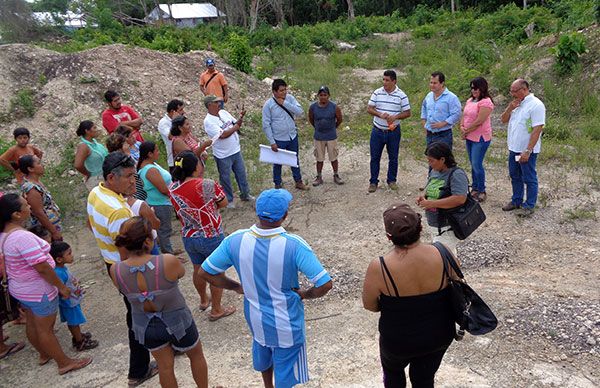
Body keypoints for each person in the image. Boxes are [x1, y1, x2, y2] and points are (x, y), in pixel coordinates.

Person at [199, 188, 333, 388]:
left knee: (263, 354)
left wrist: (236, 287)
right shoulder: (294, 245)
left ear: (257, 212)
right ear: (285, 215)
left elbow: (205, 272)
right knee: (286, 373)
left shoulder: (236, 239)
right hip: (287, 324)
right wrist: (304, 295)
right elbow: (325, 283)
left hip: (256, 320)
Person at [362, 202, 456, 388]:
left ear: (389, 237)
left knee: (393, 377)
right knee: (424, 379)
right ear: (420, 227)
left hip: (398, 340)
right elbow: (460, 288)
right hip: (439, 334)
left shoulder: (379, 267)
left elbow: (370, 305)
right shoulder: (444, 253)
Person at [110, 217, 209, 388]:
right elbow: (181, 273)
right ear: (148, 240)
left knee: (165, 367)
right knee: (196, 356)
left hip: (146, 326)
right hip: (178, 321)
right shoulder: (167, 261)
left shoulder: (115, 270)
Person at [87, 152, 158, 386]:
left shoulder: (96, 193)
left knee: (141, 313)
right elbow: (127, 252)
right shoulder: (118, 211)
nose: (132, 182)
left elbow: (92, 225)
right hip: (126, 268)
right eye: (128, 177)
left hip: (111, 263)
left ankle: (169, 346)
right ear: (111, 177)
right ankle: (138, 371)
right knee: (138, 317)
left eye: (134, 176)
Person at [0, 193, 92, 374]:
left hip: (21, 289)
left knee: (33, 324)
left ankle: (44, 353)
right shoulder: (22, 238)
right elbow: (42, 267)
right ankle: (64, 363)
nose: (30, 207)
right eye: (26, 205)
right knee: (46, 329)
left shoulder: (4, 234)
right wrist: (61, 287)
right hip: (38, 290)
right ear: (16, 214)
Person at [168, 151, 235, 321]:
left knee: (198, 269)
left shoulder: (172, 188)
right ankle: (217, 310)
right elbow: (224, 202)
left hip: (189, 235)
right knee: (216, 271)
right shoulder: (207, 184)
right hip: (210, 234)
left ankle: (204, 300)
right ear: (195, 166)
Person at [500, 78, 545, 217]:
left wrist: (528, 150)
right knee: (515, 175)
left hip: (526, 150)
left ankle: (529, 205)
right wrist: (510, 108)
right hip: (514, 147)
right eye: (511, 91)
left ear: (524, 89)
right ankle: (516, 200)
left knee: (529, 177)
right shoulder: (517, 104)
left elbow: (537, 129)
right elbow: (503, 119)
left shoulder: (536, 105)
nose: (512, 94)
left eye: (515, 91)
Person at [416, 142, 468, 255]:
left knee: (444, 258)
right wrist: (424, 197)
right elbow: (432, 188)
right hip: (434, 224)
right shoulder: (434, 171)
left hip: (447, 226)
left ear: (443, 159)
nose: (429, 164)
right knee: (446, 257)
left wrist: (432, 204)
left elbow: (460, 198)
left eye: (432, 160)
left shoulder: (457, 174)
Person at [203, 94, 253, 208]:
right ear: (209, 105)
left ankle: (245, 194)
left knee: (241, 173)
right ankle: (229, 200)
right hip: (223, 154)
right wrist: (235, 128)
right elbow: (223, 135)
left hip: (235, 149)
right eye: (216, 102)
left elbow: (235, 123)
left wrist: (240, 118)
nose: (219, 104)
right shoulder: (208, 121)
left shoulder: (223, 113)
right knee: (225, 177)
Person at [367, 70, 411, 193]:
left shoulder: (401, 95)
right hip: (377, 131)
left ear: (394, 81)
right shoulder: (377, 92)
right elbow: (369, 109)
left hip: (393, 132)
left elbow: (408, 113)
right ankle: (373, 182)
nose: (384, 82)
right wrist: (379, 114)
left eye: (387, 80)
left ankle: (391, 180)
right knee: (375, 157)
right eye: (383, 79)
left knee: (393, 157)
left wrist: (395, 117)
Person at [49, 241, 98, 351]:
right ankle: (79, 341)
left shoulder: (61, 268)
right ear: (59, 259)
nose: (72, 256)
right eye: (69, 254)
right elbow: (59, 288)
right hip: (69, 303)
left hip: (72, 300)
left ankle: (78, 335)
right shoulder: (59, 272)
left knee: (74, 320)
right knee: (74, 321)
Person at [262, 79, 309, 190]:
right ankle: (277, 184)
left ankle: (298, 181)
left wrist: (284, 103)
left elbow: (300, 111)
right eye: (281, 90)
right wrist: (272, 142)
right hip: (279, 139)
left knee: (294, 159)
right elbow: (266, 124)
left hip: (292, 136)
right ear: (274, 92)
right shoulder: (268, 105)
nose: (284, 92)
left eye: (285, 90)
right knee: (277, 162)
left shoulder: (290, 99)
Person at [460, 77, 495, 203]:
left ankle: (481, 189)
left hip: (480, 137)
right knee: (473, 163)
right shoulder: (470, 100)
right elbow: (464, 115)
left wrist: (467, 130)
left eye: (476, 88)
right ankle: (475, 187)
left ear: (482, 88)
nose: (473, 90)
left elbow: (480, 120)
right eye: (472, 88)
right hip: (469, 136)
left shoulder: (486, 102)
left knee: (477, 163)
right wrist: (462, 128)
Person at [137, 141, 176, 254]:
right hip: (160, 203)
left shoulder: (149, 166)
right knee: (164, 230)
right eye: (157, 150)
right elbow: (163, 189)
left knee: (162, 229)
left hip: (157, 202)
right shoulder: (150, 170)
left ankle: (167, 249)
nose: (158, 153)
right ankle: (168, 253)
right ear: (149, 154)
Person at [19, 155, 62, 242]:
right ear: (30, 169)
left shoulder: (36, 182)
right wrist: (53, 232)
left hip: (52, 224)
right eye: (38, 163)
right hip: (46, 229)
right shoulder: (31, 189)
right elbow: (38, 213)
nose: (42, 165)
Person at [308, 86, 344, 186]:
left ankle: (336, 175)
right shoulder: (313, 107)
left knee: (333, 157)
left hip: (331, 136)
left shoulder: (334, 107)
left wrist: (333, 127)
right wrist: (318, 128)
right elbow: (311, 119)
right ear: (318, 96)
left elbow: (339, 119)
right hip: (319, 136)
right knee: (319, 158)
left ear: (329, 96)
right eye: (321, 95)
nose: (323, 97)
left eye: (325, 95)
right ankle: (319, 177)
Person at [420, 71, 461, 151]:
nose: (432, 85)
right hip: (430, 134)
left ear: (442, 83)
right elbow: (424, 107)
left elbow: (456, 114)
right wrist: (424, 122)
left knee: (444, 160)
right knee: (431, 159)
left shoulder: (451, 97)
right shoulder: (429, 96)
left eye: (435, 83)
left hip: (443, 134)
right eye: (431, 82)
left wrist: (444, 123)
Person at [74, 120, 109, 192]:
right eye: (94, 128)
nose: (97, 130)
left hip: (105, 175)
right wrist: (87, 173)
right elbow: (78, 165)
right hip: (96, 179)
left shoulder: (94, 143)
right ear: (87, 131)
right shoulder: (83, 146)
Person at [158, 99, 185, 174]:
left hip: (185, 154)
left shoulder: (181, 120)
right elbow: (170, 137)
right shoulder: (163, 123)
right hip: (175, 158)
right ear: (173, 111)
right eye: (181, 110)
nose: (183, 112)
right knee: (178, 178)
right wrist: (174, 121)